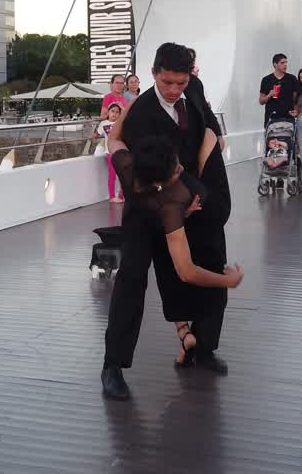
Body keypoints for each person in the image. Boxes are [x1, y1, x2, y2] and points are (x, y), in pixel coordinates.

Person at [102, 43, 232, 400]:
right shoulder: (142, 113)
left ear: (190, 76)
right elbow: (143, 172)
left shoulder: (194, 91)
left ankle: (202, 347)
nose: (174, 89)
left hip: (191, 197)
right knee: (132, 279)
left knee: (211, 259)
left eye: (180, 82)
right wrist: (177, 201)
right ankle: (113, 365)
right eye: (166, 82)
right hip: (147, 201)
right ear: (154, 74)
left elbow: (208, 124)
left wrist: (200, 184)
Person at [108, 136, 243, 367]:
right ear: (161, 183)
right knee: (162, 274)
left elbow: (113, 139)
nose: (181, 168)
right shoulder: (172, 203)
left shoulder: (126, 165)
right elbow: (187, 271)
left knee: (166, 275)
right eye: (176, 170)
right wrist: (228, 281)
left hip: (146, 214)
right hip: (153, 222)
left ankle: (184, 333)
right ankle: (183, 334)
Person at [258, 53, 300, 125]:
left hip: (288, 118)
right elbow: (261, 101)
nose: (285, 65)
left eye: (286, 62)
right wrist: (269, 95)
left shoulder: (292, 78)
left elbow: (296, 99)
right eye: (282, 63)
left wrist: (296, 111)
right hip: (271, 118)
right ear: (275, 64)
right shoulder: (266, 80)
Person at [95, 102, 125, 203]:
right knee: (112, 175)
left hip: (121, 152)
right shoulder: (103, 124)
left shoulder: (120, 123)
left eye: (117, 112)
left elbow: (128, 116)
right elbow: (97, 134)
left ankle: (121, 195)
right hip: (110, 153)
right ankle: (112, 196)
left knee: (123, 175)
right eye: (112, 111)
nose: (114, 114)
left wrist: (122, 108)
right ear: (108, 112)